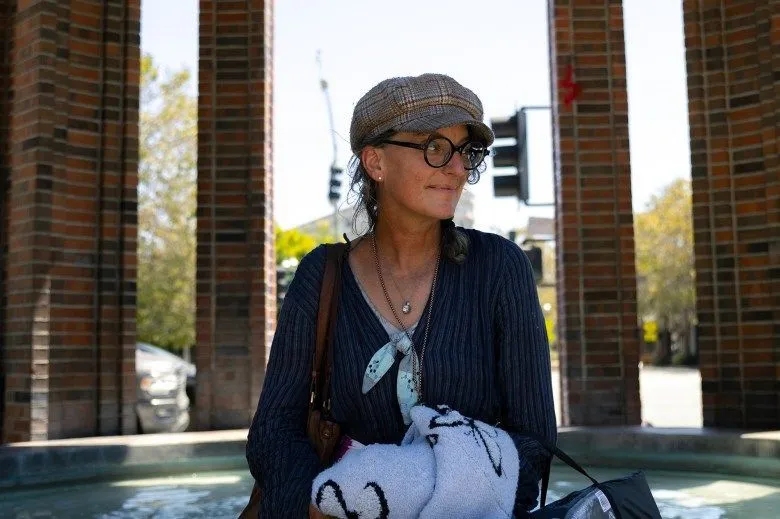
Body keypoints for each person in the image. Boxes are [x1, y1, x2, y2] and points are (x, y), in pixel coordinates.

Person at [246, 73, 556, 518]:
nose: (458, 169)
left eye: (466, 151)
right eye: (435, 148)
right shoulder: (321, 276)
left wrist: (408, 492)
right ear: (376, 161)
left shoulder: (501, 269)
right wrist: (321, 502)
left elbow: (535, 441)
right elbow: (273, 431)